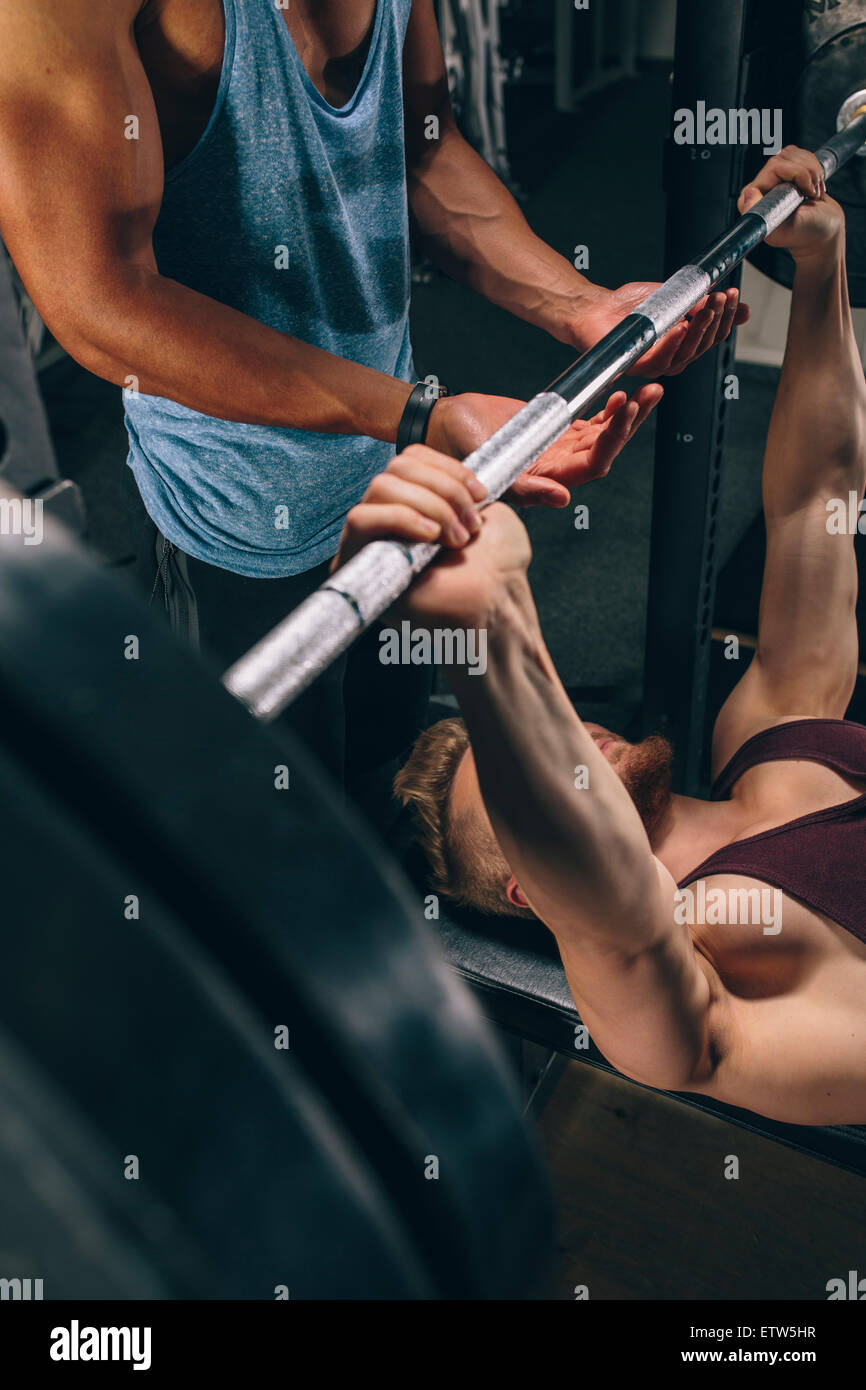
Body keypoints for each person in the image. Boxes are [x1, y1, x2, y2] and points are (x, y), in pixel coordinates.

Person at [0, 0, 744, 825]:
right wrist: (422, 416)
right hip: (237, 515)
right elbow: (99, 300)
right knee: (269, 836)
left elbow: (424, 153)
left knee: (391, 776)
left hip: (393, 475)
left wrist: (579, 306)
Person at [334, 147, 866, 1125]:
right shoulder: (699, 966)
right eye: (508, 781)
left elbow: (816, 503)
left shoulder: (770, 742)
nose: (571, 735)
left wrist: (821, 266)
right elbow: (615, 922)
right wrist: (490, 641)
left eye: (551, 733)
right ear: (528, 892)